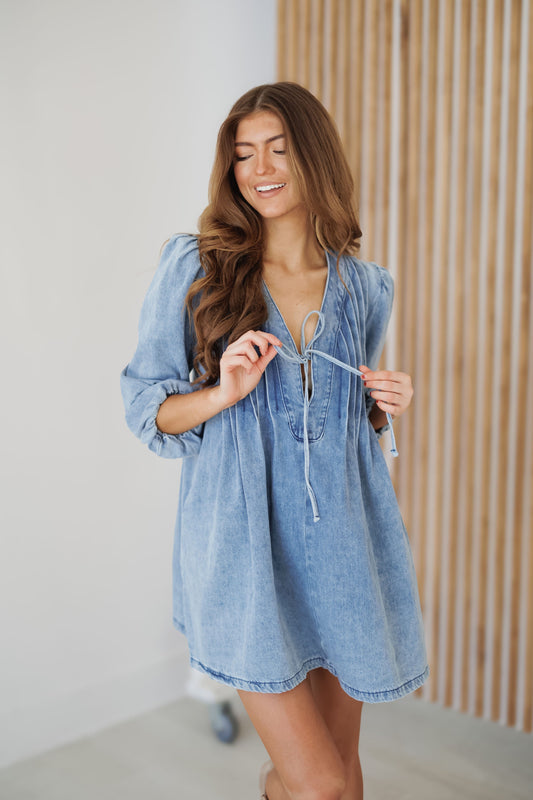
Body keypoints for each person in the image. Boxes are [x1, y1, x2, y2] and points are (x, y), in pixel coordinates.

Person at [120, 81, 429, 800]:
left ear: (314, 156)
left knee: (343, 779)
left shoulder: (363, 287)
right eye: (243, 154)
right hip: (244, 555)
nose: (258, 169)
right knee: (317, 784)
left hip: (344, 552)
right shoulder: (196, 268)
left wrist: (384, 405)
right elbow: (146, 410)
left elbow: (340, 421)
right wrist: (221, 393)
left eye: (278, 150)